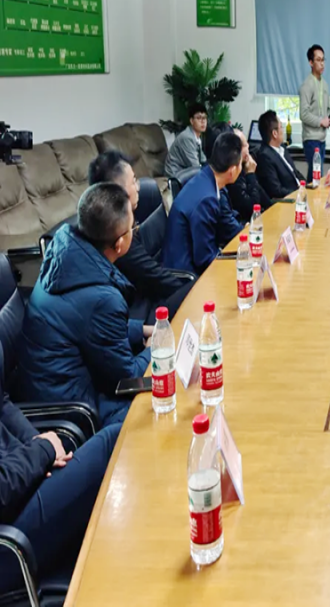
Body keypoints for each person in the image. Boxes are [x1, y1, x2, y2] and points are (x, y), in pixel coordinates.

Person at [19, 184, 153, 427]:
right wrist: (155, 349)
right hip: (73, 409)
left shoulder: (65, 253)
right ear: (120, 243)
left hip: (50, 386)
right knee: (159, 397)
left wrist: (143, 330)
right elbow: (130, 378)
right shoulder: (102, 298)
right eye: (133, 226)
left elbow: (89, 323)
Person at [0, 347, 122, 593]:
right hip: (8, 535)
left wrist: (39, 443)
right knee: (115, 441)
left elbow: (1, 403)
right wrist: (42, 452)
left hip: (21, 479)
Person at [88, 151, 194, 324]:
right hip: (136, 315)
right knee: (193, 289)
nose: (138, 187)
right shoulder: (117, 237)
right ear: (118, 192)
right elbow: (157, 279)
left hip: (143, 297)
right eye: (133, 181)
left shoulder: (103, 222)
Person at [162, 132, 245, 275]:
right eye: (240, 164)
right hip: (185, 276)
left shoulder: (205, 176)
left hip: (189, 261)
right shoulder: (207, 199)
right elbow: (204, 259)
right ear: (232, 171)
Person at [205, 123, 271, 219]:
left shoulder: (241, 168)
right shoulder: (228, 176)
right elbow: (251, 209)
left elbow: (266, 202)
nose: (248, 146)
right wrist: (251, 175)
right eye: (242, 145)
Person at [299, 44, 330, 183]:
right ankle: (311, 202)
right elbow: (303, 114)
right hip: (311, 139)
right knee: (316, 176)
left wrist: (329, 119)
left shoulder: (325, 84)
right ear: (311, 63)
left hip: (322, 138)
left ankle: (309, 200)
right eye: (318, 60)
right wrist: (320, 121)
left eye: (323, 59)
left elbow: (327, 110)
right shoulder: (307, 85)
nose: (322, 63)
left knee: (316, 176)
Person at [255, 110, 304, 200]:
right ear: (275, 133)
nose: (283, 130)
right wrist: (298, 193)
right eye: (281, 127)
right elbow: (276, 190)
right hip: (289, 201)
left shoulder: (282, 148)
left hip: (300, 194)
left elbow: (295, 172)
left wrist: (306, 186)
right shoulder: (265, 156)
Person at [164, 103, 207, 180]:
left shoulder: (196, 137)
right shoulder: (187, 137)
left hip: (183, 171)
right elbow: (195, 166)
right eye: (199, 118)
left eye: (204, 118)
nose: (203, 121)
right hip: (174, 175)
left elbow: (203, 160)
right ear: (191, 121)